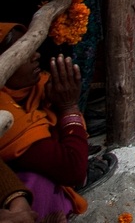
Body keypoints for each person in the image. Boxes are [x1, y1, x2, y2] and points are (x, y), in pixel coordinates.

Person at [0, 25, 88, 217]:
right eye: (23, 53)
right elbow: (73, 168)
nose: (36, 56)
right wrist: (69, 107)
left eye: (33, 48)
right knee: (37, 181)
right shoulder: (5, 114)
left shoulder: (37, 89)